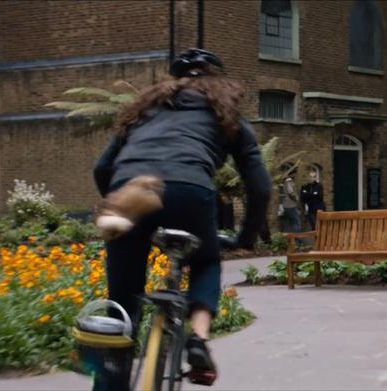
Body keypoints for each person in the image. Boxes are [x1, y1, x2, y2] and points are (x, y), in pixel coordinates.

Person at [92, 48, 271, 389]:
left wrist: (114, 197)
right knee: (206, 262)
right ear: (217, 80)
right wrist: (247, 237)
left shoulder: (145, 111)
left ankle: (109, 380)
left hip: (130, 185)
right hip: (190, 188)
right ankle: (199, 341)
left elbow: (102, 167)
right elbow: (259, 186)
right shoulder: (227, 114)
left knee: (123, 304)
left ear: (175, 81)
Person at [278, 166, 301, 233]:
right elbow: (291, 192)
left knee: (289, 223)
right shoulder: (289, 181)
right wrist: (296, 198)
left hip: (286, 205)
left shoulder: (286, 181)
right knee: (296, 222)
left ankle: (286, 239)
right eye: (295, 174)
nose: (296, 175)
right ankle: (297, 240)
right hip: (290, 205)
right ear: (293, 174)